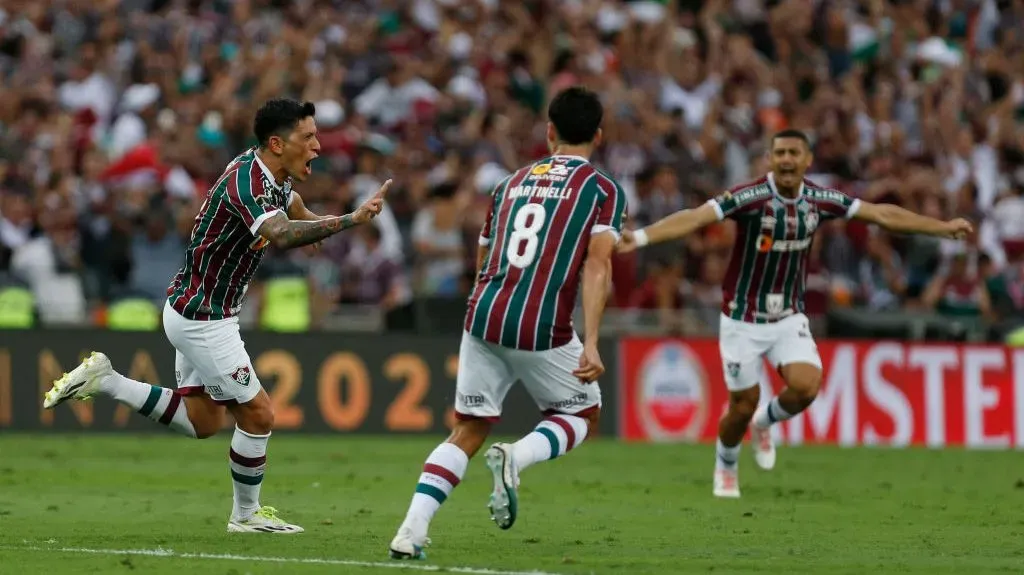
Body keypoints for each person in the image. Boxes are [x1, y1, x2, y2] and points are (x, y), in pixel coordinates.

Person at [42, 98, 389, 532]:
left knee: (203, 422)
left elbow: (289, 200)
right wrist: (349, 219)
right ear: (278, 144)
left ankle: (108, 380)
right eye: (309, 137)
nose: (318, 146)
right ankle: (245, 516)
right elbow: (278, 235)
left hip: (192, 308)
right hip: (205, 318)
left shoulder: (266, 169)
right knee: (259, 414)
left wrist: (309, 215)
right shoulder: (248, 183)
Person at [618, 129, 973, 498]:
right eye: (780, 153)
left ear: (807, 161)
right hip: (742, 318)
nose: (786, 159)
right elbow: (695, 217)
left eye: (794, 153)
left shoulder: (820, 200)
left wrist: (941, 228)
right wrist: (640, 237)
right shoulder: (750, 197)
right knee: (740, 406)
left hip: (788, 317)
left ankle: (765, 422)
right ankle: (726, 462)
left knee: (806, 386)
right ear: (771, 159)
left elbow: (879, 213)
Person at [388, 86, 627, 559]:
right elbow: (599, 265)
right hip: (541, 324)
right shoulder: (602, 191)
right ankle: (516, 457)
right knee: (582, 413)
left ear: (549, 131)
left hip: (483, 313)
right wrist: (593, 340)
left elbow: (482, 254)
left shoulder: (509, 183)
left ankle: (410, 531)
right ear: (598, 136)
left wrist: (486, 308)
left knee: (470, 427)